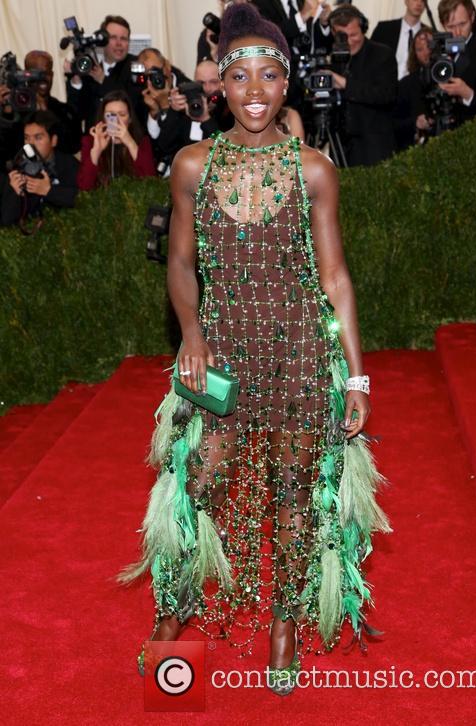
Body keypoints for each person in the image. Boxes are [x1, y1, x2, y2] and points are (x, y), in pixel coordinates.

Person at [117, 2, 391, 697]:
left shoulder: (313, 171)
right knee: (194, 486)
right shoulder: (191, 165)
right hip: (222, 358)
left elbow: (335, 278)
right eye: (242, 76)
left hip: (300, 353)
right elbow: (180, 265)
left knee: (296, 494)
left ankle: (286, 625)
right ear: (222, 86)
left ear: (286, 83)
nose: (257, 90)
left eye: (271, 75)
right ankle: (174, 608)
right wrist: (194, 337)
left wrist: (355, 382)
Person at [329, 4, 398, 167]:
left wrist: (345, 84)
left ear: (364, 29)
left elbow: (386, 95)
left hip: (374, 147)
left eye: (354, 35)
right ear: (334, 34)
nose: (349, 41)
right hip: (340, 146)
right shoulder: (331, 58)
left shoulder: (382, 54)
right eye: (343, 36)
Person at [65, 15, 142, 133]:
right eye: (113, 37)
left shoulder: (137, 66)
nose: (119, 43)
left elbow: (134, 103)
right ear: (102, 41)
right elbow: (77, 114)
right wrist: (75, 80)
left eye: (124, 39)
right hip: (95, 143)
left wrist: (103, 80)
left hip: (127, 143)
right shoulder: (90, 69)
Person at [0, 110, 78, 226]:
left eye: (38, 138)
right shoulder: (18, 171)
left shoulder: (69, 164)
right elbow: (6, 221)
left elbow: (83, 200)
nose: (30, 144)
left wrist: (48, 191)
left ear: (53, 140)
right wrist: (15, 194)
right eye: (27, 138)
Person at [432, 0, 476, 127]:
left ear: (472, 17)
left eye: (462, 24)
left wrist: (468, 94)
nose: (457, 33)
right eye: (451, 27)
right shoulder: (437, 51)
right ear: (442, 25)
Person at [77, 90, 155, 191]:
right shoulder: (90, 142)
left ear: (130, 119)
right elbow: (84, 187)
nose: (116, 120)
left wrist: (131, 143)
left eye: (122, 115)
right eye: (110, 115)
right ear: (103, 118)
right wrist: (96, 151)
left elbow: (152, 181)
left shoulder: (142, 142)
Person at [393, 26, 434, 150]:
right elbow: (393, 123)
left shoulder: (453, 78)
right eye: (420, 49)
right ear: (414, 54)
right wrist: (415, 123)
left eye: (430, 46)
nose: (426, 52)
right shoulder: (406, 85)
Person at [371, 1, 426, 80]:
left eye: (423, 0)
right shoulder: (384, 29)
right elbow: (370, 59)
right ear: (406, 1)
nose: (419, 3)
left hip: (416, 89)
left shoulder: (430, 35)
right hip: (384, 86)